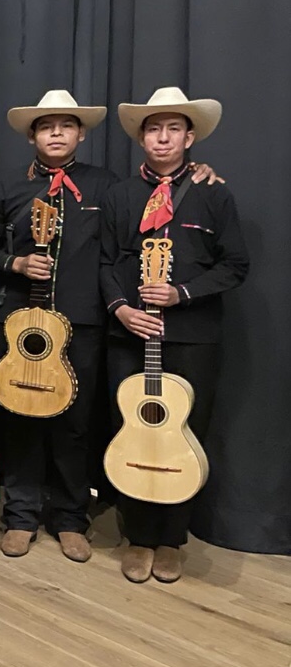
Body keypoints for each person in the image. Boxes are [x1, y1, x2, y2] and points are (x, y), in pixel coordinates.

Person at [101, 87, 248, 584]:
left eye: (173, 129)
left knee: (184, 434)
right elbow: (105, 262)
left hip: (192, 337)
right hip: (130, 335)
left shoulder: (213, 192)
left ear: (189, 137)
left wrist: (182, 293)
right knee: (132, 430)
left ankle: (172, 539)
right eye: (153, 129)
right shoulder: (120, 195)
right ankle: (138, 536)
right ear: (141, 138)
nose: (162, 138)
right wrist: (121, 309)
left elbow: (235, 265)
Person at [0, 90, 115, 562]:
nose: (56, 133)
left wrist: (199, 173)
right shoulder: (8, 186)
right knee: (20, 417)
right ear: (32, 136)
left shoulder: (105, 186)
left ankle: (71, 518)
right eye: (46, 126)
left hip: (82, 321)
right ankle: (20, 515)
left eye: (66, 125)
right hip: (19, 323)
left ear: (81, 134)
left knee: (74, 423)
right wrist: (15, 264)